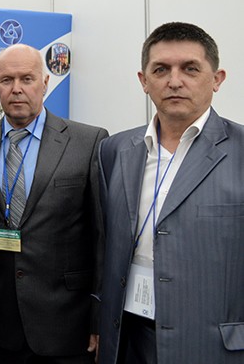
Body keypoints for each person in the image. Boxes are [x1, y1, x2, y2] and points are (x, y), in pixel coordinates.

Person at [98, 22, 244, 364]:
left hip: (211, 345)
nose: (174, 81)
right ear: (143, 80)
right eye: (161, 69)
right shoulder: (114, 149)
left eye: (190, 69)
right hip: (128, 337)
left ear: (217, 78)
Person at [0, 43, 108, 363]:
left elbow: (101, 238)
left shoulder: (88, 143)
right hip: (1, 319)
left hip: (69, 322)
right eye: (6, 80)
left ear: (45, 82)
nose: (16, 89)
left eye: (27, 79)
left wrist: (100, 316)